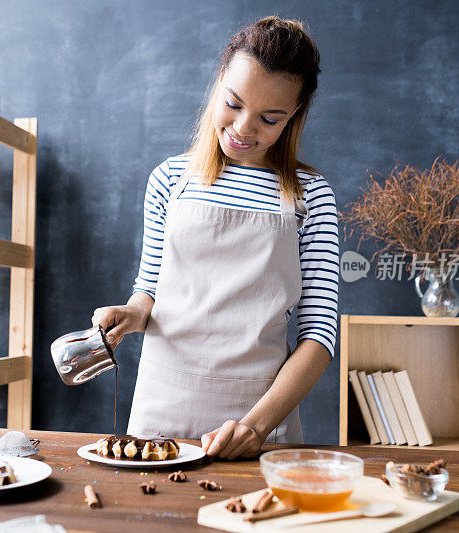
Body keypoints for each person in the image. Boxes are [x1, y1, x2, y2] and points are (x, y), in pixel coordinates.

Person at [92, 16, 338, 460]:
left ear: (294, 117)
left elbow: (319, 335)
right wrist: (130, 314)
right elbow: (150, 291)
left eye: (269, 118)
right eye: (233, 103)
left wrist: (255, 427)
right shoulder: (169, 179)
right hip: (160, 410)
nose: (244, 128)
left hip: (259, 421)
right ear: (219, 81)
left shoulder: (310, 196)